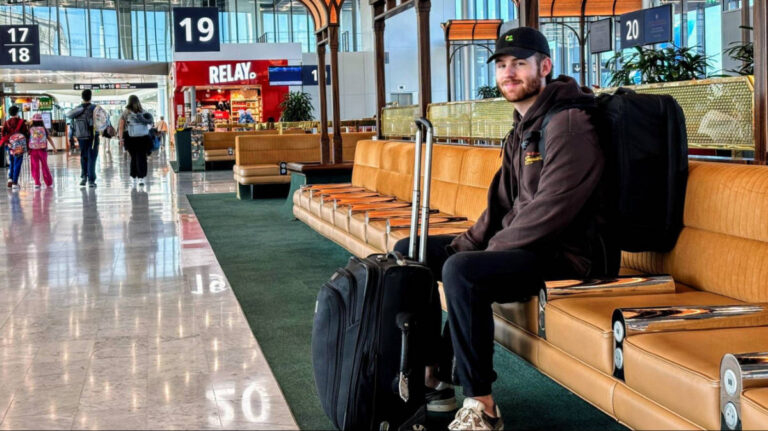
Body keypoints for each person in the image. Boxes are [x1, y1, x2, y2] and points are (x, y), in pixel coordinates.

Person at [393, 27, 614, 430]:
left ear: (544, 67)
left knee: (464, 271)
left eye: (519, 63)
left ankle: (483, 406)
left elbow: (554, 209)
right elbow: (499, 205)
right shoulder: (524, 125)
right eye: (501, 65)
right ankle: (433, 376)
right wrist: (468, 243)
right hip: (522, 247)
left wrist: (485, 252)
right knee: (415, 250)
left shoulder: (568, 125)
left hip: (565, 255)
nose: (508, 73)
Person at [66, 89, 100, 187]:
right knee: (92, 157)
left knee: (84, 156)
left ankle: (84, 177)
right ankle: (91, 180)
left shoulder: (77, 109)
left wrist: (70, 136)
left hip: (81, 137)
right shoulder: (95, 108)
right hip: (93, 137)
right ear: (91, 96)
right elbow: (103, 120)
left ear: (82, 97)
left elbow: (71, 122)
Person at [118, 95, 154, 187]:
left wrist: (121, 139)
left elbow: (121, 127)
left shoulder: (126, 112)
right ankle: (141, 178)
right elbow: (150, 124)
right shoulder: (143, 111)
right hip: (143, 138)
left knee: (133, 157)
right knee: (142, 157)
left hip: (130, 138)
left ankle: (133, 178)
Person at [1, 105, 29, 190]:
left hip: (10, 145)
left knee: (12, 161)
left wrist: (7, 143)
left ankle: (10, 178)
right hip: (19, 146)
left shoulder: (6, 122)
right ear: (17, 112)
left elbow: (3, 134)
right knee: (17, 163)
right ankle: (15, 182)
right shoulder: (21, 122)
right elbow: (25, 133)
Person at [27, 113, 56, 189]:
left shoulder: (30, 129)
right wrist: (54, 147)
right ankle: (48, 182)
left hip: (33, 150)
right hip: (42, 150)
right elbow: (49, 138)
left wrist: (27, 149)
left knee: (35, 166)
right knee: (44, 166)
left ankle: (37, 183)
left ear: (33, 121)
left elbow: (28, 140)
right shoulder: (43, 129)